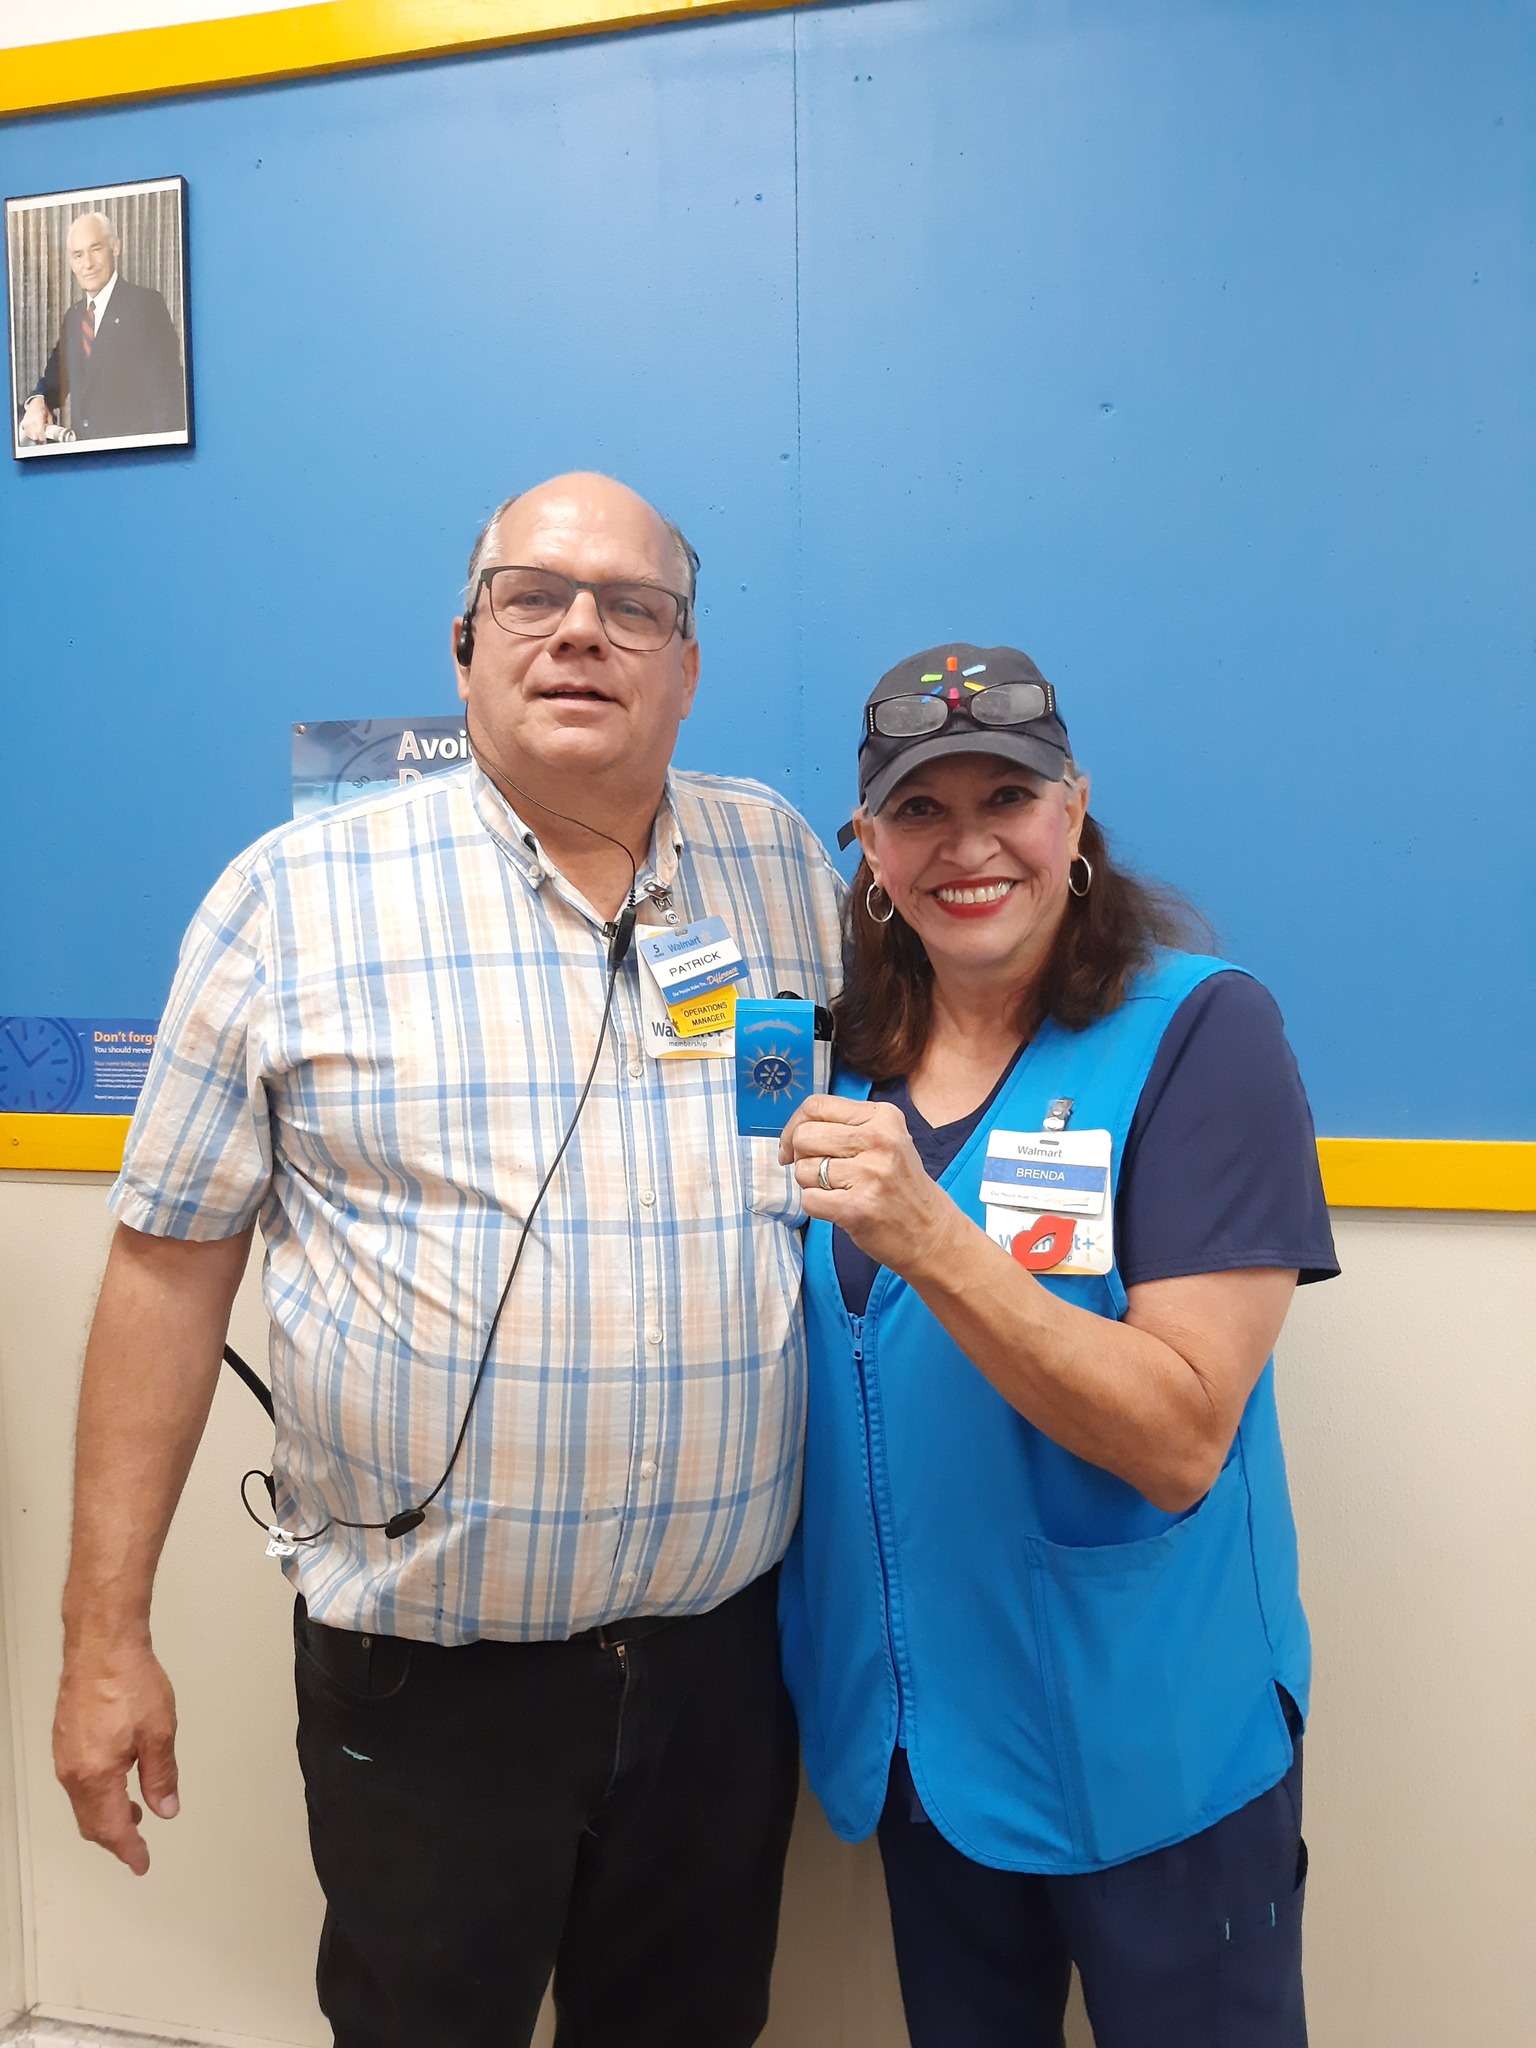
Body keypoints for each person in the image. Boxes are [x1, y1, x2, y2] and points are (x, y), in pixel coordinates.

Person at [52, 473, 844, 2048]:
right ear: (465, 646)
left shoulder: (781, 867)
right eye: (533, 596)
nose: (581, 632)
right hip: (425, 1681)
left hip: (723, 1673)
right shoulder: (291, 902)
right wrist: (103, 1639)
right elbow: (163, 1275)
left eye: (635, 608)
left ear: (688, 667)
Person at [777, 642, 1338, 2048]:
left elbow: (1182, 1435)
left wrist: (936, 1237)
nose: (967, 845)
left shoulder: (1201, 1032)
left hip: (1154, 1743)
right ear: (870, 849)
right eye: (920, 810)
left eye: (1007, 798)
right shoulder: (841, 1054)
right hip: (926, 1751)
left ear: (1073, 810)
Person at [19, 211, 185, 445]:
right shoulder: (74, 317)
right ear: (71, 263)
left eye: (96, 249)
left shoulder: (144, 305)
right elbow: (54, 382)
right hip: (86, 458)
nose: (87, 264)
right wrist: (37, 400)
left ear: (115, 247)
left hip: (132, 457)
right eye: (78, 255)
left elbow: (167, 400)